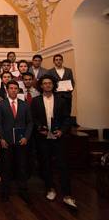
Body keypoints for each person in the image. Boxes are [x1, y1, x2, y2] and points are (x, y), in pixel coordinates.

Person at [31, 75, 77, 208]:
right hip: (43, 138)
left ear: (53, 85)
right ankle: (50, 188)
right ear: (41, 85)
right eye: (44, 83)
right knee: (45, 164)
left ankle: (67, 194)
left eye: (49, 83)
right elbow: (33, 119)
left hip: (58, 137)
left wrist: (62, 131)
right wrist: (40, 128)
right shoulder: (35, 101)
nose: (47, 85)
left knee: (63, 165)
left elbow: (67, 119)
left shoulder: (61, 100)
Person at [0, 80, 33, 203]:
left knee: (22, 167)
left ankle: (23, 191)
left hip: (21, 141)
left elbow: (30, 123)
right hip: (6, 142)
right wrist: (1, 138)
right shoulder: (1, 104)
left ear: (18, 90)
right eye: (11, 88)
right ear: (7, 90)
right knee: (6, 167)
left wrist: (26, 137)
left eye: (15, 88)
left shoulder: (25, 104)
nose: (13, 90)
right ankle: (5, 192)